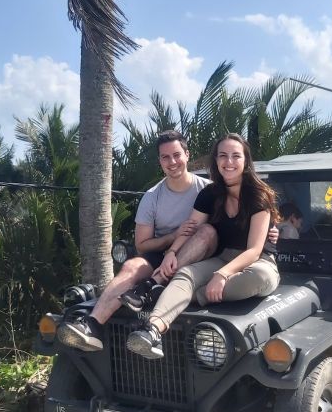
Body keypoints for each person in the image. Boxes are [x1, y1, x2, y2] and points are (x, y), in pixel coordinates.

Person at [57, 130, 215, 352]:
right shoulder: (152, 197)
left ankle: (150, 286)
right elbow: (143, 245)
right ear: (159, 161)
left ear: (187, 155)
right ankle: (92, 325)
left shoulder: (208, 189)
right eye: (165, 157)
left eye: (177, 155)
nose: (172, 162)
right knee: (131, 265)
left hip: (199, 255)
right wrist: (173, 237)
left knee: (205, 234)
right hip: (161, 253)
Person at [127, 133, 281, 360]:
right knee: (185, 274)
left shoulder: (258, 195)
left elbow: (254, 250)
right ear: (216, 161)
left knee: (259, 278)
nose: (229, 162)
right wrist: (171, 252)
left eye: (235, 156)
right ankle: (152, 329)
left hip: (257, 262)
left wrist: (222, 275)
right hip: (222, 256)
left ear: (245, 161)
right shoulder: (209, 193)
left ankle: (189, 295)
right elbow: (191, 228)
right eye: (223, 156)